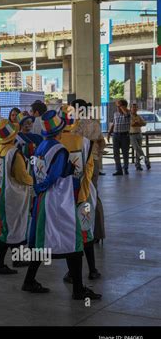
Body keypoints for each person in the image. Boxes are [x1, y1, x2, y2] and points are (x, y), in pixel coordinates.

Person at [29, 110, 102, 300]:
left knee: (42, 242)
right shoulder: (61, 149)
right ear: (61, 130)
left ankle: (29, 280)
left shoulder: (41, 146)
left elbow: (36, 171)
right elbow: (56, 176)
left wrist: (37, 188)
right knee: (76, 240)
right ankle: (79, 288)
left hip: (43, 200)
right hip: (60, 201)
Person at [0, 120, 44, 286]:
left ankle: (17, 259)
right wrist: (36, 181)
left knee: (11, 228)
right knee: (11, 229)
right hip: (12, 197)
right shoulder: (14, 153)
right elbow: (22, 176)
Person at [58, 105, 101, 282]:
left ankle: (72, 273)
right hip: (81, 193)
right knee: (85, 231)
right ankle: (92, 270)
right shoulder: (83, 140)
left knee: (69, 233)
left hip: (62, 196)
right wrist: (84, 184)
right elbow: (89, 167)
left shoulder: (56, 141)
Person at [71, 100, 106, 243]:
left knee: (83, 195)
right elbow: (102, 142)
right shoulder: (95, 123)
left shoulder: (77, 126)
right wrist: (97, 154)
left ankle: (83, 231)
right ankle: (98, 232)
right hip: (95, 162)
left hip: (82, 164)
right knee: (93, 193)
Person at [107, 99, 131, 175]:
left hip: (125, 135)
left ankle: (126, 168)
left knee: (125, 153)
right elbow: (114, 124)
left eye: (119, 105)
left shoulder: (128, 113)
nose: (117, 107)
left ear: (123, 106)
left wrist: (122, 108)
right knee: (116, 153)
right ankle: (119, 170)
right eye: (117, 106)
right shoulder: (115, 114)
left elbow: (126, 114)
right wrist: (109, 133)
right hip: (116, 135)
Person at [130, 103, 150, 171]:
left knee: (138, 150)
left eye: (136, 108)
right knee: (138, 149)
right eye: (133, 107)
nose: (134, 109)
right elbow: (132, 124)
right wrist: (138, 123)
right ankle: (146, 161)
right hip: (132, 135)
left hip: (139, 134)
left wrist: (138, 123)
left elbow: (144, 123)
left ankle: (138, 165)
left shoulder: (138, 116)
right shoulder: (129, 116)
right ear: (131, 108)